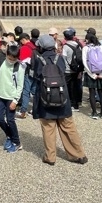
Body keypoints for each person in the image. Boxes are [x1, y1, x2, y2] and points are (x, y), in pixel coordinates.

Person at [32, 34, 88, 166]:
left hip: (45, 97)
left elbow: (36, 76)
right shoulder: (60, 58)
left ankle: (50, 156)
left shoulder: (39, 60)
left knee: (48, 127)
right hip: (62, 96)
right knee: (68, 126)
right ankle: (78, 154)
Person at [0, 44, 25, 153]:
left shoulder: (19, 67)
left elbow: (20, 86)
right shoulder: (0, 61)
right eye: (10, 58)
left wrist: (15, 100)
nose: (11, 61)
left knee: (10, 120)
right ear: (7, 54)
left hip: (11, 97)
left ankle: (17, 142)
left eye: (14, 59)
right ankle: (9, 135)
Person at [82, 33, 102, 119]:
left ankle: (94, 112)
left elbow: (84, 62)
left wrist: (91, 74)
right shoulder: (101, 47)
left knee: (92, 93)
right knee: (101, 92)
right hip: (101, 72)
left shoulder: (86, 48)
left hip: (91, 73)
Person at [17, 28, 39, 119]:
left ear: (23, 40)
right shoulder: (35, 47)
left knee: (26, 91)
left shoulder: (24, 48)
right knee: (34, 91)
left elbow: (21, 60)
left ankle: (23, 111)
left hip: (27, 71)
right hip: (36, 71)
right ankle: (36, 109)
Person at [61, 28, 82, 112]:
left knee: (67, 87)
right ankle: (76, 104)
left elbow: (64, 57)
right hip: (76, 69)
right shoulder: (77, 45)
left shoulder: (65, 46)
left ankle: (69, 103)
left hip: (67, 70)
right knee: (75, 87)